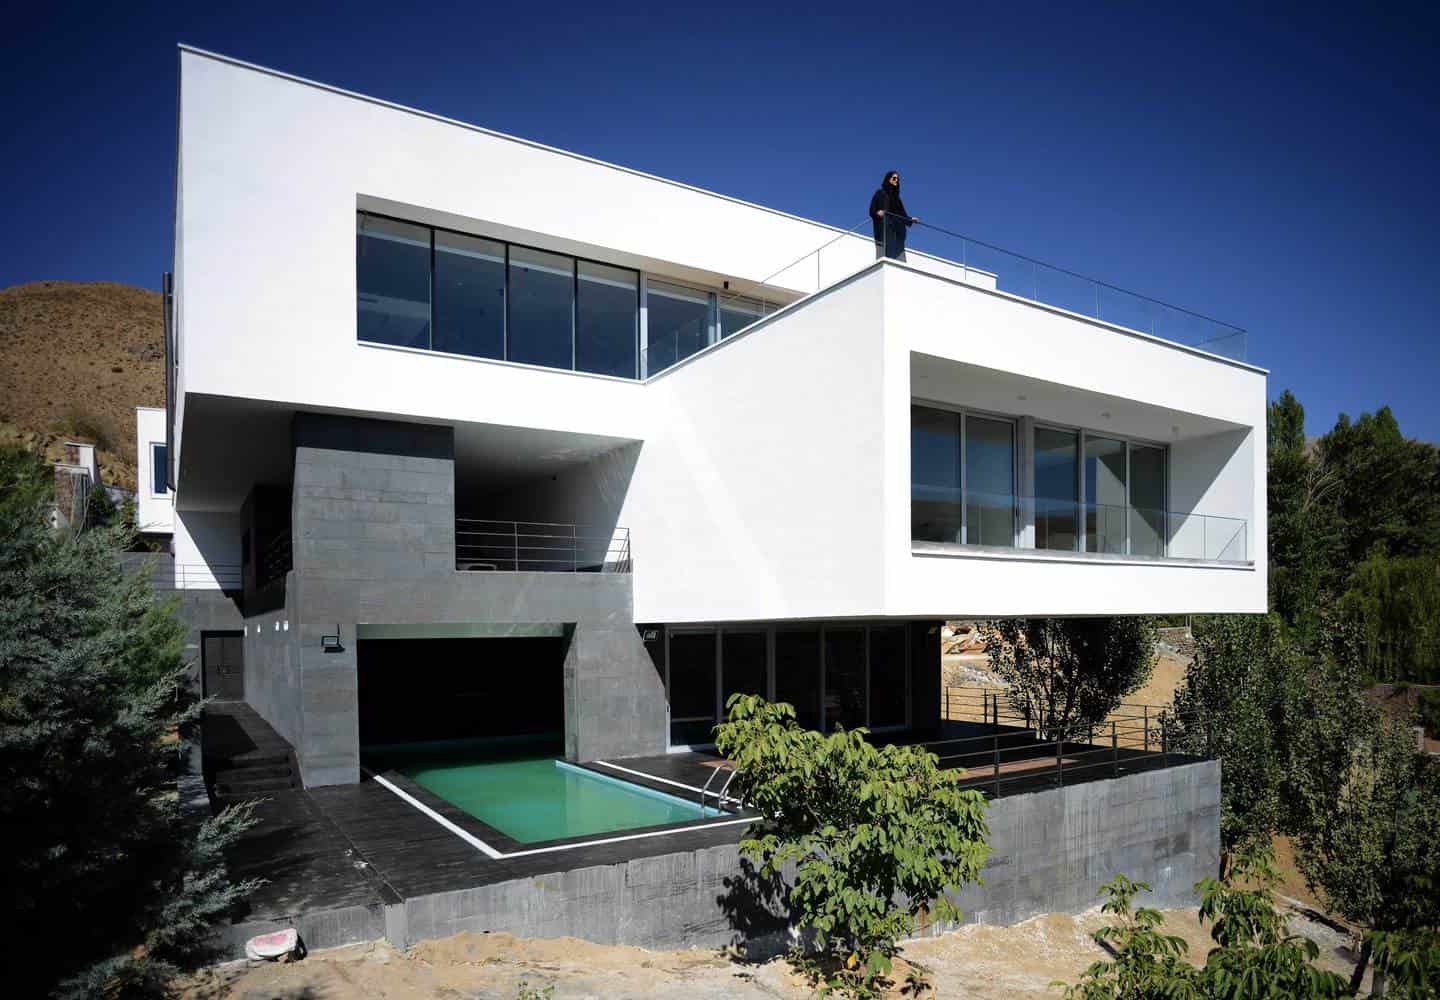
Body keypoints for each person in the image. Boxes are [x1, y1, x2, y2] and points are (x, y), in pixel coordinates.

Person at [870, 170, 917, 261]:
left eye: (898, 179)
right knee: (883, 251)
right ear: (888, 179)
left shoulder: (897, 199)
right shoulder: (880, 193)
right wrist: (877, 213)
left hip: (896, 230)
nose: (896, 180)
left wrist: (911, 219)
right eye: (894, 178)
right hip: (884, 228)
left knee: (898, 252)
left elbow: (902, 214)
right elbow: (872, 209)